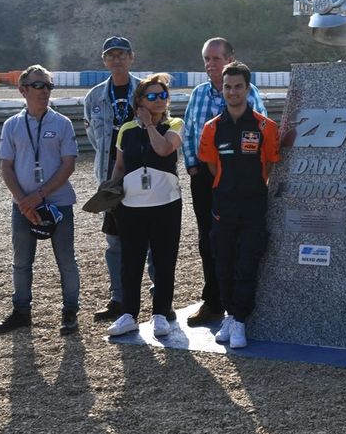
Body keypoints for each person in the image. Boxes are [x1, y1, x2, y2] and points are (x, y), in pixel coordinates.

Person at [182, 38, 267, 328]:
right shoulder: (198, 94)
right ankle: (214, 301)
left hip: (238, 179)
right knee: (209, 240)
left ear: (231, 58)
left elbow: (264, 133)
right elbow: (190, 131)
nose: (210, 64)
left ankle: (243, 305)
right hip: (204, 178)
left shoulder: (249, 92)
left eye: (216, 58)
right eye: (206, 59)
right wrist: (193, 167)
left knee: (243, 240)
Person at [196, 62, 280, 348]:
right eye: (228, 87)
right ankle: (230, 315)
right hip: (223, 204)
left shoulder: (264, 127)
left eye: (238, 86)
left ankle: (241, 320)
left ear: (247, 88)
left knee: (248, 261)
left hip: (254, 204)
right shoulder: (212, 128)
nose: (232, 92)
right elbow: (210, 165)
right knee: (224, 262)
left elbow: (269, 163)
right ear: (222, 89)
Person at [0, 65, 80, 336]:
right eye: (38, 86)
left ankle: (69, 313)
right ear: (23, 90)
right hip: (23, 206)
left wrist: (37, 197)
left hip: (58, 203)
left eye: (48, 86)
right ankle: (21, 312)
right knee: (21, 262)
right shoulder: (12, 125)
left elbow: (68, 165)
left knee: (66, 261)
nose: (44, 91)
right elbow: (6, 167)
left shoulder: (62, 123)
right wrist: (23, 202)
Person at [83, 36, 161, 322]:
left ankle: (158, 298)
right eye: (111, 55)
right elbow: (95, 136)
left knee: (151, 238)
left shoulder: (145, 90)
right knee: (114, 242)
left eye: (122, 54)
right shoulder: (93, 96)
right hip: (111, 178)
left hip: (144, 173)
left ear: (131, 57)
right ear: (105, 60)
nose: (116, 60)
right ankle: (119, 298)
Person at [106, 74, 184, 338]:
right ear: (139, 101)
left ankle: (160, 313)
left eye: (163, 95)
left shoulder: (174, 123)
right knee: (131, 261)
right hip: (131, 206)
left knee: (164, 260)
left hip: (166, 204)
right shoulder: (126, 130)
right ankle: (128, 313)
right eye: (152, 96)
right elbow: (119, 165)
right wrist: (109, 193)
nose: (159, 100)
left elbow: (163, 150)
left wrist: (150, 125)